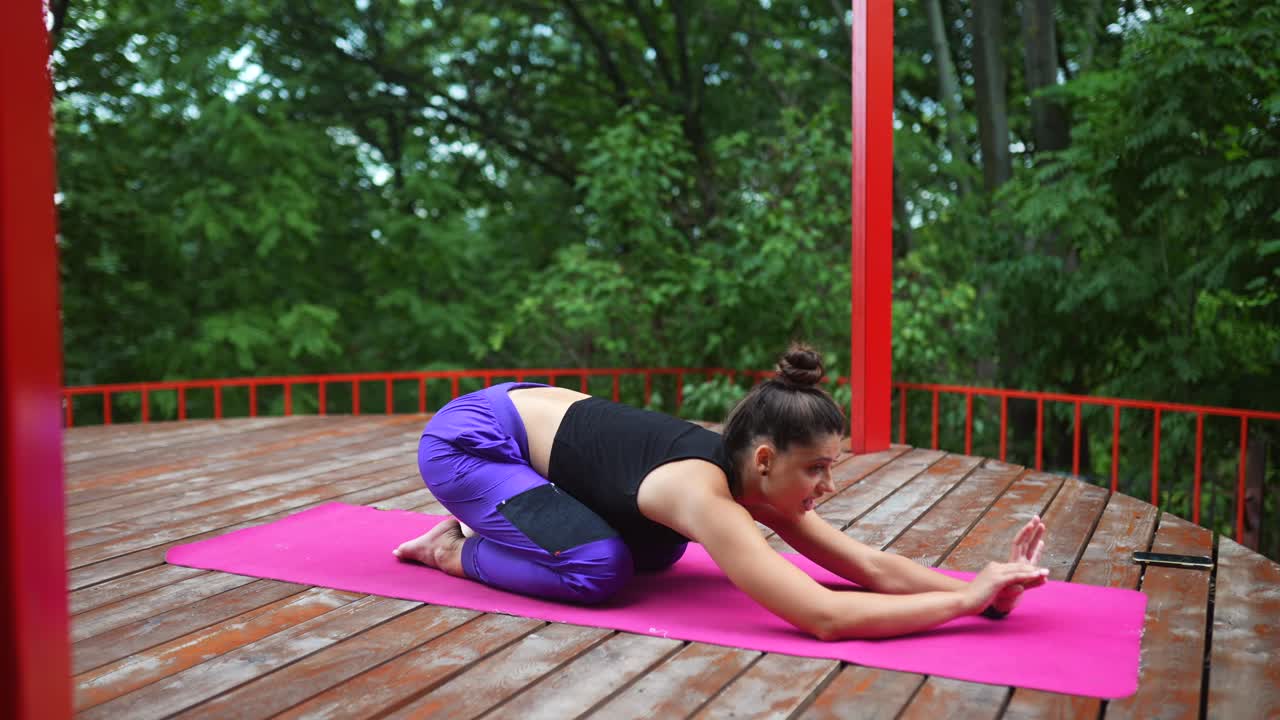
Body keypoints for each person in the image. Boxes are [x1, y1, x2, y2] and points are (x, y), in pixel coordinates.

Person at [394, 344, 1049, 640]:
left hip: (540, 429)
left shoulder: (752, 483)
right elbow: (824, 617)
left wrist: (986, 593)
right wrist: (961, 602)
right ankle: (451, 549)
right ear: (764, 460)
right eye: (817, 469)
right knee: (600, 568)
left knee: (658, 553)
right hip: (472, 442)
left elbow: (869, 568)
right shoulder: (706, 496)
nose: (829, 485)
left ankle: (512, 523)